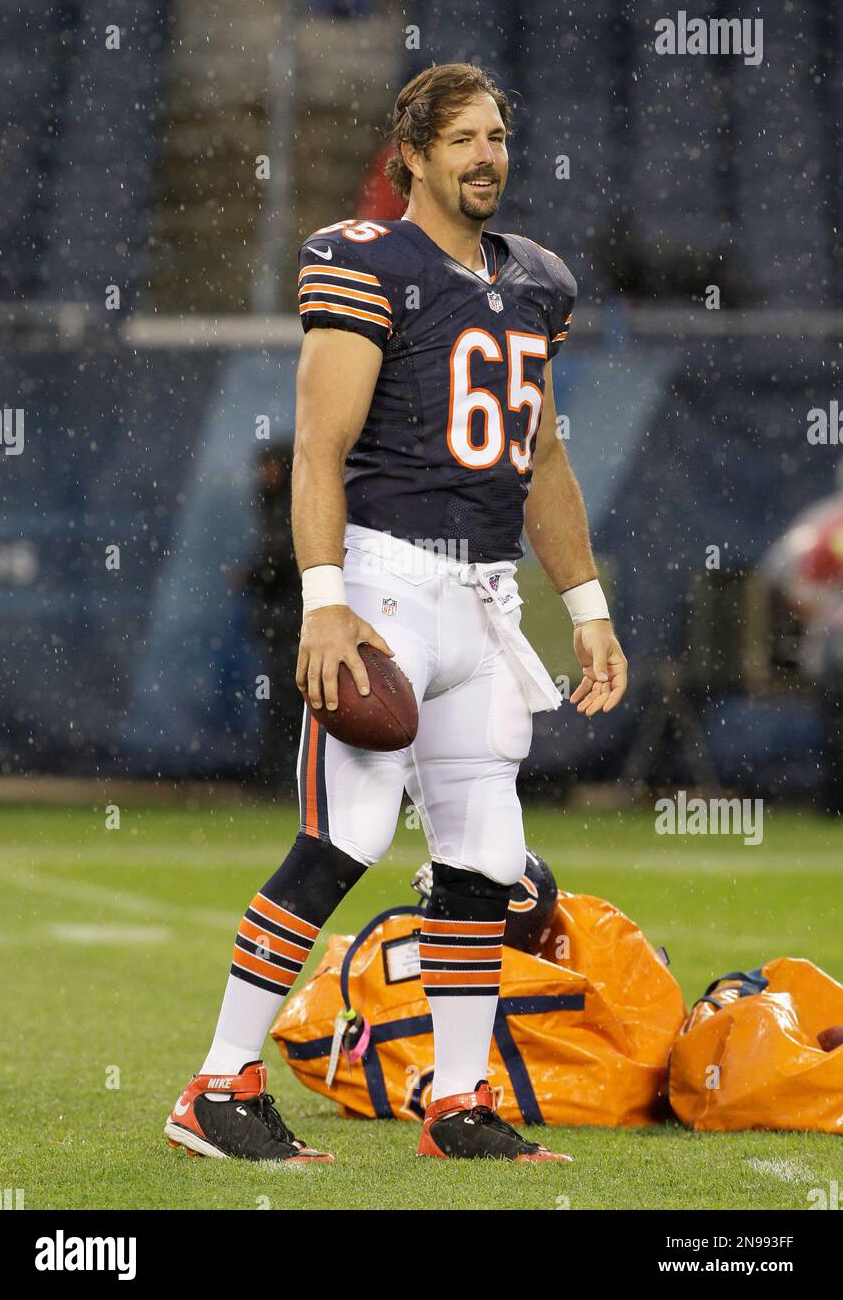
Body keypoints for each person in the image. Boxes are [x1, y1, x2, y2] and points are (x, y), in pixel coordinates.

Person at [165, 62, 628, 1164]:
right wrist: (327, 602)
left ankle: (457, 1102)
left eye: (499, 137)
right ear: (410, 154)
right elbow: (319, 449)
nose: (488, 157)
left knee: (485, 854)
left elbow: (544, 455)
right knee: (352, 833)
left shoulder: (537, 281)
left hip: (485, 592)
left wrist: (591, 607)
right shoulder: (364, 261)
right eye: (463, 138)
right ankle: (217, 1086)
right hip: (383, 585)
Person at [239, 447, 303, 794]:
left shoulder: (293, 501)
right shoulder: (271, 501)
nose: (264, 473)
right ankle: (278, 773)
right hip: (281, 619)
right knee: (279, 698)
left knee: (290, 698)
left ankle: (283, 775)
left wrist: (251, 575)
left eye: (270, 465)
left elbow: (283, 557)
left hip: (294, 619)